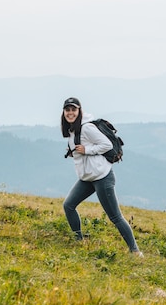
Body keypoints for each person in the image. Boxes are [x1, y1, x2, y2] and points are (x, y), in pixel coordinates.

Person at [60, 97, 143, 256]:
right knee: (68, 205)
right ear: (64, 112)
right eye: (67, 110)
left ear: (79, 111)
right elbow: (83, 149)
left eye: (73, 110)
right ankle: (78, 241)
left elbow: (107, 145)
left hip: (102, 177)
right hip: (87, 178)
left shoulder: (86, 128)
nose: (70, 113)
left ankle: (135, 252)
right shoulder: (72, 130)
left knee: (115, 217)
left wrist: (87, 150)